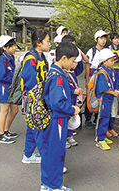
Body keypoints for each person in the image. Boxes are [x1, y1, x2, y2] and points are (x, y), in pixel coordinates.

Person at [41, 42, 80, 191]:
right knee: (57, 153)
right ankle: (55, 185)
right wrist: (72, 109)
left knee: (48, 151)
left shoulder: (53, 72)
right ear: (64, 58)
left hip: (52, 118)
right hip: (57, 119)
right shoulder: (58, 76)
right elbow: (58, 103)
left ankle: (46, 183)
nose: (73, 63)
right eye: (72, 60)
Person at [21, 29, 51, 163]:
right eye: (48, 41)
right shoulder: (31, 58)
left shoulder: (40, 56)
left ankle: (28, 155)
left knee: (32, 127)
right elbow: (29, 81)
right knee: (39, 128)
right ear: (39, 43)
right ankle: (47, 160)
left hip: (38, 98)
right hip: (36, 100)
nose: (50, 44)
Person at [94, 49, 119, 150]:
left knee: (107, 117)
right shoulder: (102, 72)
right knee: (103, 118)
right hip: (104, 100)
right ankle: (100, 139)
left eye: (113, 60)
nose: (113, 62)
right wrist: (113, 92)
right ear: (104, 61)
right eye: (111, 60)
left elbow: (115, 82)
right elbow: (103, 88)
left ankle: (103, 137)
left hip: (110, 99)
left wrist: (116, 90)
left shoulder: (111, 70)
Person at [0, 35, 19, 144]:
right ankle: (0, 135)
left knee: (14, 110)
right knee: (4, 111)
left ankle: (6, 130)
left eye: (14, 45)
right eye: (11, 46)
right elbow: (1, 77)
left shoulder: (11, 57)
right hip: (5, 88)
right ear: (4, 47)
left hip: (11, 88)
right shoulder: (2, 60)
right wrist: (14, 79)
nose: (14, 48)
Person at [84, 30, 108, 129]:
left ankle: (97, 118)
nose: (103, 41)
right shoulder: (92, 51)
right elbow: (87, 65)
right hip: (93, 76)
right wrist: (87, 80)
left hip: (102, 75)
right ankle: (88, 119)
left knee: (100, 96)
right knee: (91, 96)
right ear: (96, 39)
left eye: (105, 38)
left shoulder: (106, 51)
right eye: (101, 38)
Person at [65, 53, 82, 148]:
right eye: (74, 61)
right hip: (68, 99)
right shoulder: (64, 73)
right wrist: (72, 91)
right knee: (66, 118)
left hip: (73, 99)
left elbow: (81, 68)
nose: (75, 64)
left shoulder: (72, 72)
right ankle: (64, 138)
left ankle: (70, 135)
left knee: (72, 117)